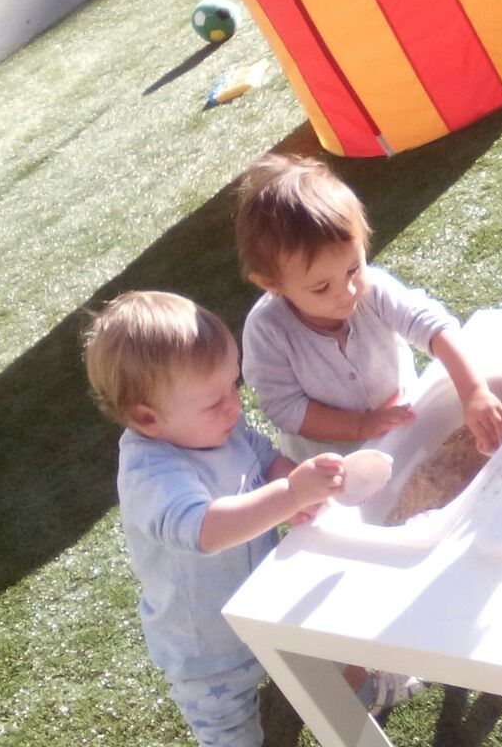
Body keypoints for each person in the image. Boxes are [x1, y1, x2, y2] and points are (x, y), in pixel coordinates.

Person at [83, 290, 422, 747]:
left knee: (323, 648)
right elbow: (207, 529)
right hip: (208, 648)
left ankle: (361, 691)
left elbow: (263, 457)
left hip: (266, 599)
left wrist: (290, 477)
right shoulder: (151, 472)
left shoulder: (215, 426)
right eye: (213, 400)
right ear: (148, 418)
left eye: (233, 386)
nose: (233, 406)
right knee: (231, 733)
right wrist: (290, 494)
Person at [234, 153, 502, 464]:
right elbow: (285, 407)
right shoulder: (267, 331)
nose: (348, 291)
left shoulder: (373, 289)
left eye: (353, 268)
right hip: (334, 465)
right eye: (321, 287)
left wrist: (473, 390)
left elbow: (431, 324)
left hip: (404, 424)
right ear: (272, 284)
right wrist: (360, 426)